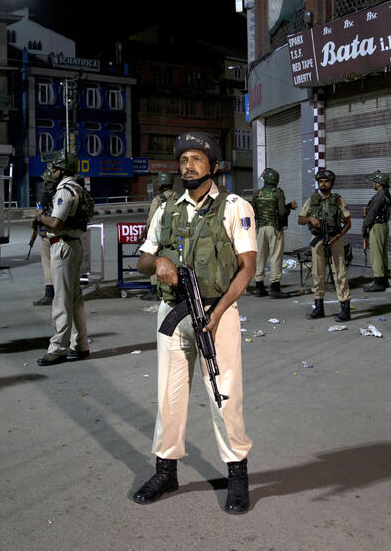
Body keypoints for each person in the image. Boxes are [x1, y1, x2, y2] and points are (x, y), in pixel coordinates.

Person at [133, 132, 256, 514]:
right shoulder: (167, 209)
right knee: (168, 399)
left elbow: (247, 267)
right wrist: (160, 262)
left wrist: (218, 314)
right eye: (184, 159)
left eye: (197, 159)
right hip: (172, 314)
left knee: (224, 395)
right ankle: (166, 471)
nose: (189, 165)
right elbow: (143, 260)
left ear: (213, 166)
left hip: (216, 314)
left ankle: (237, 475)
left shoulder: (235, 207)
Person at [34, 151, 93, 366]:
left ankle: (58, 347)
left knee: (61, 300)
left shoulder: (65, 191)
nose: (51, 172)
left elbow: (56, 223)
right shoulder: (78, 188)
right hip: (74, 245)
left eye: (54, 168)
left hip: (63, 246)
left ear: (62, 170)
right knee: (75, 298)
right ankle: (81, 344)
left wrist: (40, 217)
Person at [297, 169, 352, 321]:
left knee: (339, 273)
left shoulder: (338, 200)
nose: (323, 184)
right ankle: (318, 307)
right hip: (318, 240)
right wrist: (310, 219)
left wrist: (337, 237)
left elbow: (348, 223)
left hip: (335, 239)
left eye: (326, 181)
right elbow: (300, 219)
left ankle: (345, 308)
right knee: (317, 274)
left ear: (331, 183)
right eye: (321, 181)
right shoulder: (312, 200)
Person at [251, 167, 292, 298]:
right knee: (275, 257)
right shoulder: (278, 193)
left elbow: (253, 211)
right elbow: (282, 212)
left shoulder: (257, 193)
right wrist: (289, 208)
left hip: (260, 228)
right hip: (274, 229)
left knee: (260, 257)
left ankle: (259, 286)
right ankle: (274, 288)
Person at [139, 171, 177, 301]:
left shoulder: (158, 200)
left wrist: (145, 234)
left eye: (159, 182)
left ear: (162, 183)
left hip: (160, 235)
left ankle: (155, 290)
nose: (157, 184)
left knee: (155, 259)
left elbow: (151, 220)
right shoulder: (178, 197)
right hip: (175, 235)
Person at [362, 170, 391, 292]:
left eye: (374, 182)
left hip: (377, 226)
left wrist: (364, 228)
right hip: (383, 225)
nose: (372, 184)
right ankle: (384, 280)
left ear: (379, 183)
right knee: (382, 253)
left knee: (376, 254)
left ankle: (379, 282)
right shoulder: (386, 194)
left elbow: (372, 214)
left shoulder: (379, 196)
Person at [32, 169, 58, 306]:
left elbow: (39, 213)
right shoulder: (62, 194)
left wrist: (37, 219)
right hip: (60, 234)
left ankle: (49, 294)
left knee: (47, 265)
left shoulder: (46, 196)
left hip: (48, 234)